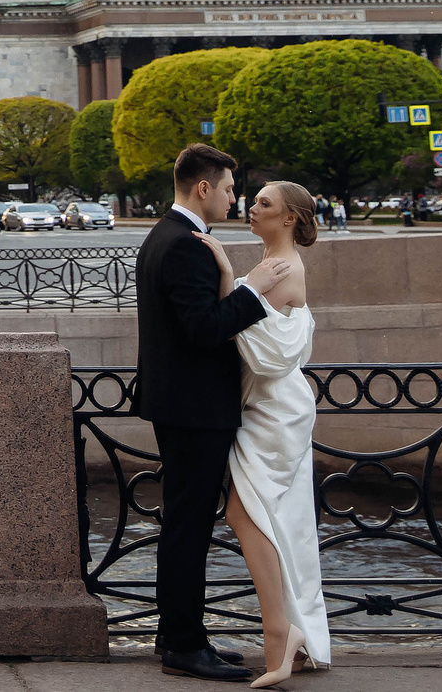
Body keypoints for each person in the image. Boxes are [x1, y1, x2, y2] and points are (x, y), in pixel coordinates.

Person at [130, 143, 295, 682]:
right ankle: (182, 644)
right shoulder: (185, 245)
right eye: (228, 188)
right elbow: (203, 330)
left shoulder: (166, 236)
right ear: (203, 188)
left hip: (180, 403)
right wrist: (254, 292)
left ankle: (179, 635)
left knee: (185, 522)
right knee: (188, 527)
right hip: (194, 407)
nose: (233, 197)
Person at [196, 180, 329, 686]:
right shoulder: (272, 267)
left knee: (246, 512)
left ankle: (281, 637)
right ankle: (291, 633)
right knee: (278, 519)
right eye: (252, 201)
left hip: (274, 409)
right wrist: (237, 278)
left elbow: (263, 354)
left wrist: (234, 278)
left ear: (290, 217)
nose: (252, 208)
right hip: (268, 406)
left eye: (264, 204)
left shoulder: (281, 269)